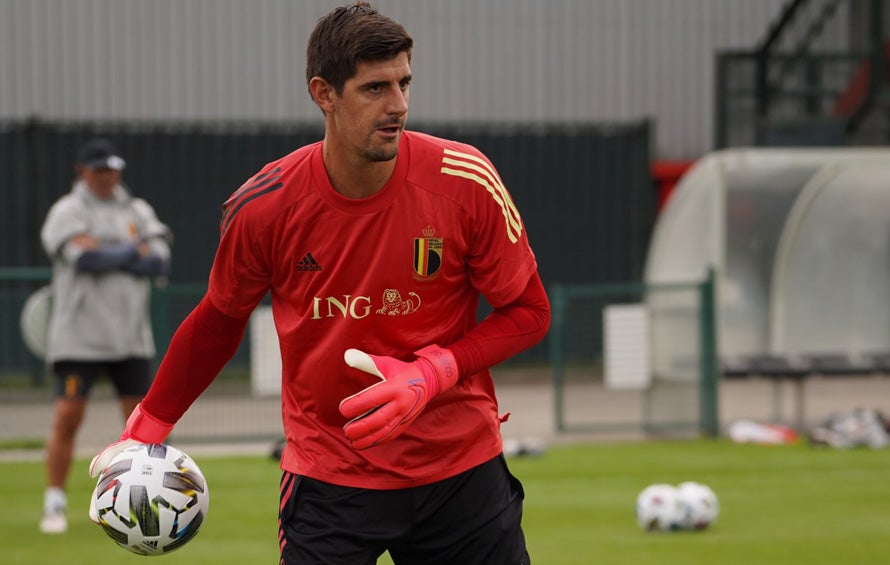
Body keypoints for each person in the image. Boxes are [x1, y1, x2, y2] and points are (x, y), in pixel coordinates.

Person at [87, 3, 550, 564]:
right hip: (330, 478)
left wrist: (433, 373)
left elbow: (529, 311)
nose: (398, 106)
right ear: (323, 93)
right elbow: (219, 320)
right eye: (375, 88)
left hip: (460, 472)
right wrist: (150, 422)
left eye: (404, 83)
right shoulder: (264, 207)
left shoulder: (465, 179)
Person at [38, 137, 172, 534]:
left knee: (145, 426)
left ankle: (146, 504)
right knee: (69, 415)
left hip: (130, 336)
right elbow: (84, 257)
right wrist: (133, 250)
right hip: (79, 337)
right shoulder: (67, 210)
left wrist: (113, 252)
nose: (107, 177)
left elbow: (160, 259)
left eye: (112, 169)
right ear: (82, 172)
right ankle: (55, 503)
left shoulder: (136, 208)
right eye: (99, 170)